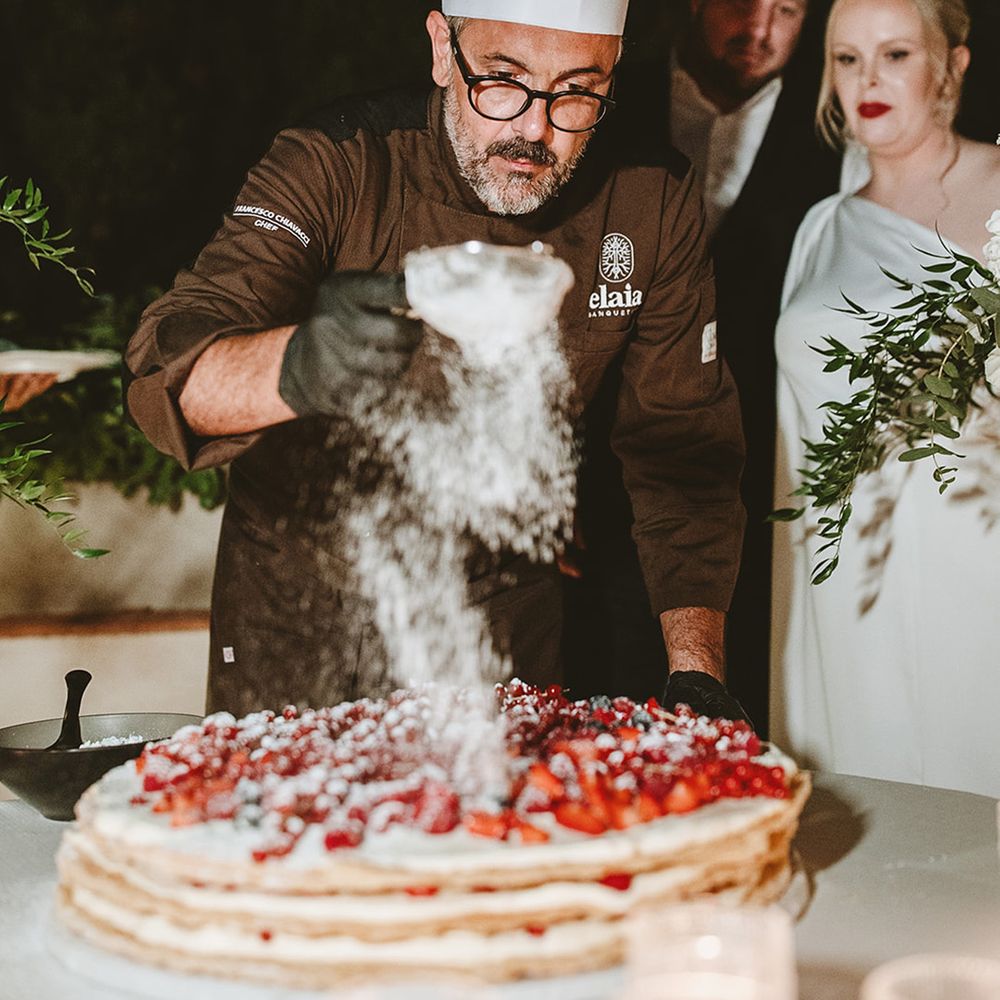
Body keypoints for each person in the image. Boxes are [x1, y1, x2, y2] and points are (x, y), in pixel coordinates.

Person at [125, 0, 749, 720]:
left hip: (501, 608)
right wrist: (301, 362)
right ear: (441, 48)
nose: (534, 128)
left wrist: (698, 674)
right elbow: (167, 369)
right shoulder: (336, 161)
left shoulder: (651, 199)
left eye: (578, 91)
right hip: (299, 601)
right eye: (502, 80)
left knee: (505, 823)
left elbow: (682, 449)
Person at [565, 0, 841, 731]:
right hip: (604, 475)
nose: (760, 27)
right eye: (742, 2)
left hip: (763, 486)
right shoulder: (601, 95)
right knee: (606, 697)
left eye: (787, 10)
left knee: (736, 698)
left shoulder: (836, 130)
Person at [772, 0, 1000, 796]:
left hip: (974, 576)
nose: (867, 79)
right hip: (839, 585)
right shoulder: (819, 229)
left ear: (953, 66)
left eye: (896, 54)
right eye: (846, 58)